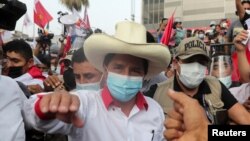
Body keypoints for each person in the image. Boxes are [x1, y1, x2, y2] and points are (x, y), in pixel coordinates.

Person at [22, 20, 171, 141]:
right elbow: (32, 111)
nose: (126, 75)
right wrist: (46, 107)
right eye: (118, 67)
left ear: (144, 74)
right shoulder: (84, 103)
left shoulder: (154, 110)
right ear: (106, 69)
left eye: (135, 70)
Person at [153, 37, 250, 125]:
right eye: (190, 60)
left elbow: (245, 119)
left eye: (201, 61)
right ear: (175, 63)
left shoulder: (216, 86)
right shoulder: (157, 92)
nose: (196, 67)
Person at [0, 42, 27, 141]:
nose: (9, 65)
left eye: (15, 61)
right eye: (7, 59)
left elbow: (30, 117)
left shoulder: (11, 85)